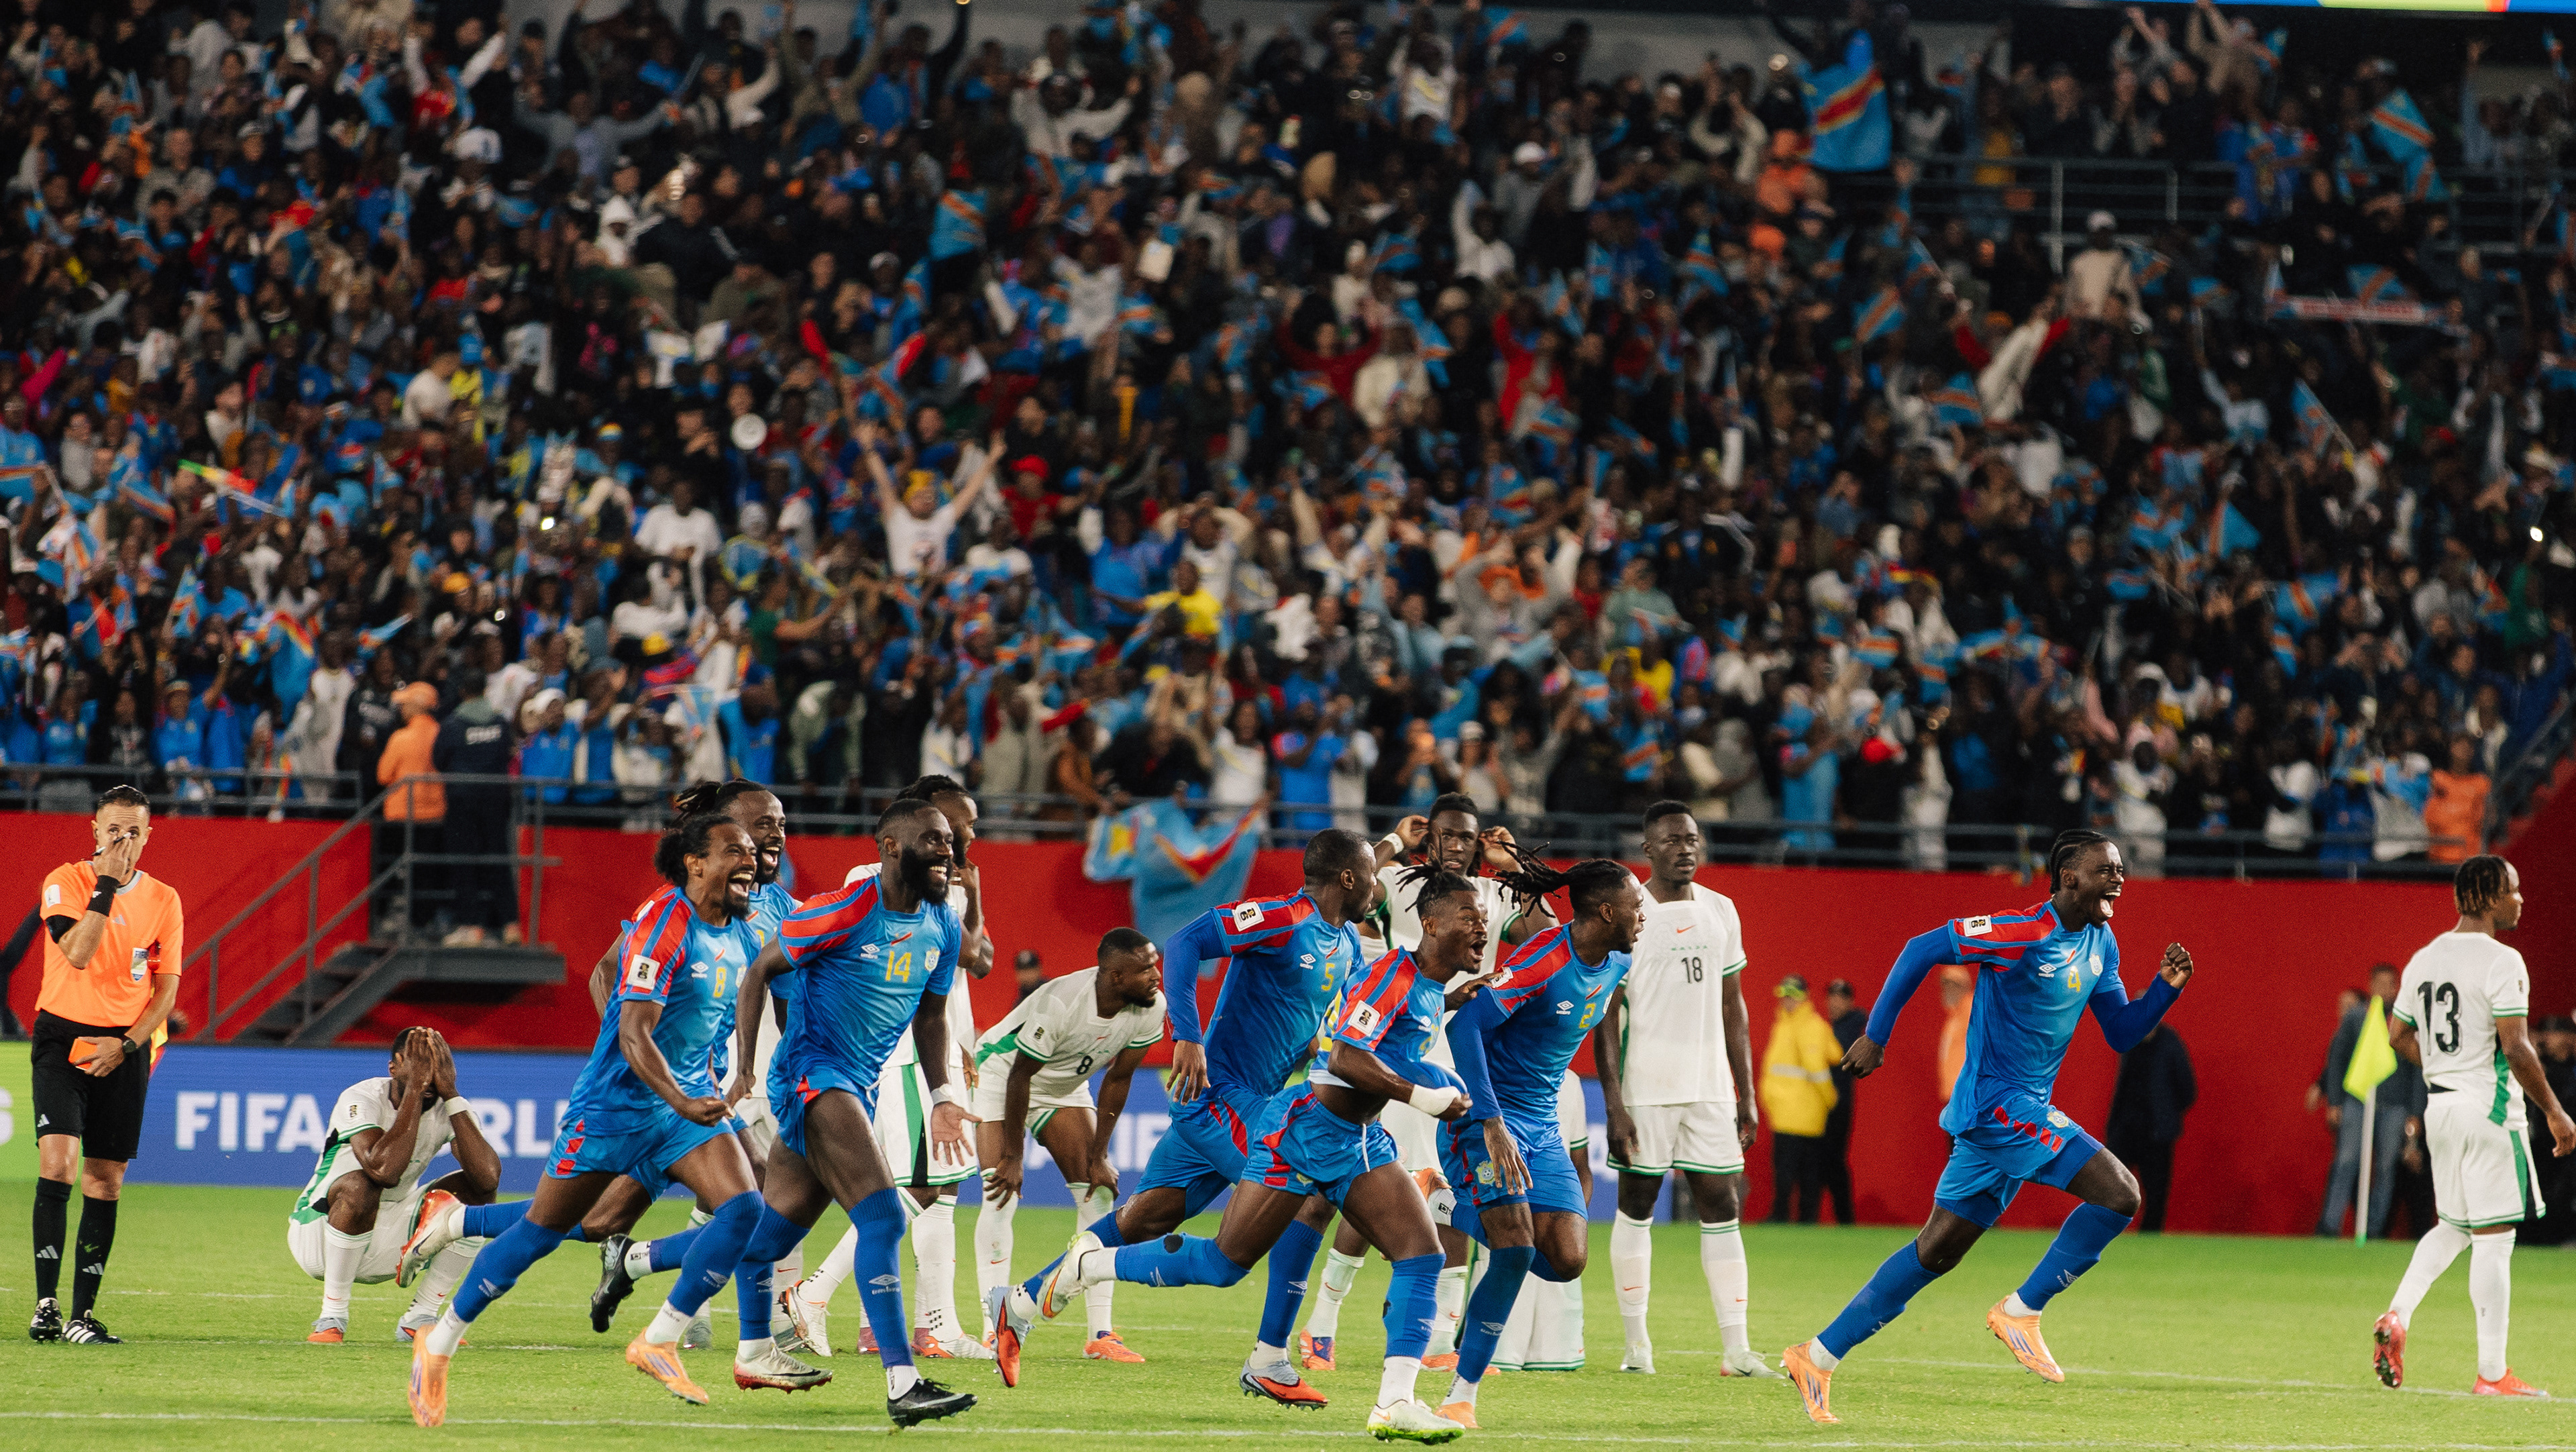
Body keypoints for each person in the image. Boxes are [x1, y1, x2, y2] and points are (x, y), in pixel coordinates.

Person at [1040, 864, 1489, 1443]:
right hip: (1304, 1131)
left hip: (1357, 1140)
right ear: (1430, 924)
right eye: (1470, 917)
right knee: (1224, 1264)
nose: (1482, 928)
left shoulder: (1419, 984)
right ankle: (1092, 1265)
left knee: (1422, 1254)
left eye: (1484, 919)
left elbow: (1377, 1039)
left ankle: (1394, 1402)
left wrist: (1446, 1017)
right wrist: (1424, 1095)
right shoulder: (1387, 971)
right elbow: (1346, 1056)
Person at [394, 813, 797, 1426]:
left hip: (684, 1105)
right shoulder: (664, 923)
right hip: (615, 1107)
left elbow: (729, 1008)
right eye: (735, 852)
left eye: (752, 852)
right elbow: (634, 1033)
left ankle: (659, 1339)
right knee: (543, 1231)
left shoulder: (743, 934)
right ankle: (439, 1341)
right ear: (695, 863)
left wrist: (729, 1076)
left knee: (745, 1210)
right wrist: (683, 1098)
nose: (752, 863)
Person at [1783, 829, 2196, 1425]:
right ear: (2069, 877)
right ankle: (2022, 1311)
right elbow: (1921, 948)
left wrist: (2165, 990)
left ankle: (1816, 1356)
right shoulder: (2019, 931)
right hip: (1998, 1105)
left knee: (1937, 1251)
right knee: (2121, 1193)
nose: (2119, 879)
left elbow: (2122, 1033)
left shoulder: (2100, 942)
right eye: (2107, 870)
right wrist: (1876, 1034)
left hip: (2014, 1112)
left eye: (2121, 869)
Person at [618, 797, 981, 1427]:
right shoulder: (846, 909)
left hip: (855, 1085)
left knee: (769, 1235)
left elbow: (930, 1016)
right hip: (813, 1076)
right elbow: (760, 970)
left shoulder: (944, 924)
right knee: (883, 1217)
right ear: (891, 848)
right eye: (933, 839)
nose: (947, 852)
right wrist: (747, 1068)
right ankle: (903, 1382)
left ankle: (637, 1264)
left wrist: (944, 1095)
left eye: (950, 840)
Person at [987, 829, 1377, 1399]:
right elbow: (1188, 941)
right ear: (1347, 878)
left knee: (1143, 1221)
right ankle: (1270, 1358)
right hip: (1219, 1095)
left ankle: (1019, 1304)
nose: (1376, 886)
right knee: (1308, 1196)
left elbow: (1304, 1021)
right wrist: (1188, 1037)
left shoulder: (1346, 944)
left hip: (1242, 1103)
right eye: (1371, 874)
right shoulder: (1281, 917)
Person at [1302, 795, 1554, 1374]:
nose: (1457, 844)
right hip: (1396, 1061)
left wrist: (1515, 863)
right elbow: (1348, 886)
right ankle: (1322, 1323)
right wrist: (1395, 839)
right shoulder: (1398, 882)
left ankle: (1440, 1338)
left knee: (1453, 1195)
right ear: (1430, 837)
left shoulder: (1492, 893)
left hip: (1463, 1060)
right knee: (1373, 1193)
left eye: (1467, 836)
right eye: (1446, 834)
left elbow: (1546, 935)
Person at [581, 780, 802, 1353]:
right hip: (672, 1089)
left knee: (606, 1220)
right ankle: (752, 1332)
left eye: (781, 824)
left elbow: (791, 999)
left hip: (716, 1086)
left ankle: (653, 1277)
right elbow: (605, 974)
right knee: (750, 1192)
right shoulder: (680, 903)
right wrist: (641, 1065)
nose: (776, 835)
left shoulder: (781, 908)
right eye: (762, 824)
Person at [1432, 854, 1644, 1429]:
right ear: (1607, 912)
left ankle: (1445, 1206)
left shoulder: (1619, 959)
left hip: (1542, 1126)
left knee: (1567, 1260)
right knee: (1516, 1249)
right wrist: (1490, 1121)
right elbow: (1464, 1025)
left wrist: (1614, 1105)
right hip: (1486, 1121)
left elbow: (1602, 1021)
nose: (1643, 915)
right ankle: (1462, 1394)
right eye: (1636, 905)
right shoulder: (1544, 958)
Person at [790, 775, 993, 1362]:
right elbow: (957, 955)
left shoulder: (947, 883)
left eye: (967, 826)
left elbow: (978, 961)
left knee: (941, 1188)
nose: (965, 835)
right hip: (901, 1053)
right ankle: (813, 1294)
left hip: (943, 1051)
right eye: (958, 823)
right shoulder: (876, 878)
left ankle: (930, 1326)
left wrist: (963, 1041)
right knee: (915, 1187)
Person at [2372, 856, 2576, 1397]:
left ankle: (2397, 1314)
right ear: (2488, 896)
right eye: (2513, 889)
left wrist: (2447, 1067)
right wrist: (2555, 1110)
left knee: (2456, 1226)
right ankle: (2492, 1373)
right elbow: (2518, 1047)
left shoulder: (2424, 957)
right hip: (2489, 1109)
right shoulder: (2503, 960)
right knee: (2496, 1237)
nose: (2520, 899)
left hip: (2441, 1108)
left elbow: (2397, 1036)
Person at [1598, 800, 1774, 1378]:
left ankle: (1737, 1350)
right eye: (1673, 840)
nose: (1685, 849)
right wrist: (1614, 1102)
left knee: (1723, 1206)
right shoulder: (1629, 914)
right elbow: (1606, 1016)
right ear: (1648, 849)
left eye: (1692, 839)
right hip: (1646, 1087)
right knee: (1638, 1205)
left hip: (1711, 1090)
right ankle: (1637, 1347)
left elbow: (1733, 1006)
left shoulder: (1722, 909)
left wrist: (1746, 1093)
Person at [27, 784, 186, 1345]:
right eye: (113, 830)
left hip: (122, 1046)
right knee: (59, 1165)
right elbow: (77, 953)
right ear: (95, 831)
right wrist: (107, 886)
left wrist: (130, 1045)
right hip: (62, 1038)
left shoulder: (165, 899)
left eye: (133, 832)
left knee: (107, 1180)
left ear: (148, 836)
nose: (122, 840)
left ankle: (82, 1315)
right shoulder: (66, 881)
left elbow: (166, 990)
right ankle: (45, 1306)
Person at [970, 929, 1166, 1364]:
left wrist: (1099, 1156)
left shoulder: (1151, 1007)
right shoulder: (1062, 1002)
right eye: (1146, 969)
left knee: (1099, 1194)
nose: (1156, 976)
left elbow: (1118, 1079)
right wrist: (1013, 1156)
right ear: (1116, 976)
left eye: (1155, 965)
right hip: (1001, 1074)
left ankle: (1101, 1335)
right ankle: (994, 1330)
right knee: (1000, 1194)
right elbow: (1020, 1075)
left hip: (1063, 1087)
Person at [289, 1027, 500, 1341]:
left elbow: (488, 1178)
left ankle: (421, 1317)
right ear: (394, 1067)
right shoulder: (361, 1097)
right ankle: (332, 1317)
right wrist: (414, 1091)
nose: (428, 1076)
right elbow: (383, 1171)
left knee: (477, 1192)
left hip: (390, 1234)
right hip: (321, 1234)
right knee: (362, 1185)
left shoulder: (451, 1107)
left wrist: (452, 1094)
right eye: (419, 1065)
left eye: (436, 1066)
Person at [2312, 964, 2422, 1239]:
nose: (2384, 990)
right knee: (2346, 1161)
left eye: (2389, 984)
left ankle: (2374, 1230)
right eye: (2379, 984)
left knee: (2386, 1168)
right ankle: (2329, 1226)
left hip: (2395, 1106)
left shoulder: (2407, 1020)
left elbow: (2418, 1068)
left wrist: (2415, 1111)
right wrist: (2335, 1102)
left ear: (2396, 987)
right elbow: (2337, 1059)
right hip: (2357, 1101)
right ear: (2370, 986)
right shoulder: (2356, 1018)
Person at [431, 666, 519, 946]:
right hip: (496, 801)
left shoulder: (453, 725)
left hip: (462, 802)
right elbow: (507, 753)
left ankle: (471, 926)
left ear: (462, 692)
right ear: (484, 690)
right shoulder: (500, 723)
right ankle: (510, 925)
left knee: (463, 861)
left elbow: (438, 760)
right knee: (498, 859)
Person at [1760, 976, 1839, 1224]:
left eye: (1792, 996)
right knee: (1798, 1171)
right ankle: (1797, 1218)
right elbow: (1834, 1054)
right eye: (1784, 995)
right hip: (1791, 1112)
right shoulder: (1788, 1025)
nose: (1787, 1001)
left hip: (1801, 1113)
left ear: (1803, 997)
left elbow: (1818, 1066)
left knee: (1797, 1172)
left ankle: (1791, 1218)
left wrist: (1830, 1099)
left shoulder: (1808, 1026)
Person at [2104, 1025, 2196, 1233]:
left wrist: (2166, 1115)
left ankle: (2149, 1241)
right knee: (2108, 1187)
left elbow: (2188, 1090)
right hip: (2125, 1130)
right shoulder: (2129, 1041)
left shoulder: (2170, 1043)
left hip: (2156, 1134)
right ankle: (2102, 1235)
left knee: (2156, 1196)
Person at [374, 683, 445, 936]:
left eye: (405, 704)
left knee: (396, 869)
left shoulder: (400, 738)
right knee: (427, 872)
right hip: (435, 815)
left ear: (417, 706)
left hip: (401, 814)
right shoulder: (442, 735)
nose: (401, 708)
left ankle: (391, 919)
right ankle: (424, 922)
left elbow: (383, 775)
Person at [1823, 979, 1868, 1225]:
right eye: (1831, 997)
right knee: (1829, 1162)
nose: (1833, 1002)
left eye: (1839, 998)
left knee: (1834, 1161)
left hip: (1839, 1105)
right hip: (1826, 1104)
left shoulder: (1850, 1027)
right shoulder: (1834, 1027)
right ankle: (1842, 1219)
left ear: (1849, 1002)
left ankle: (1845, 1218)